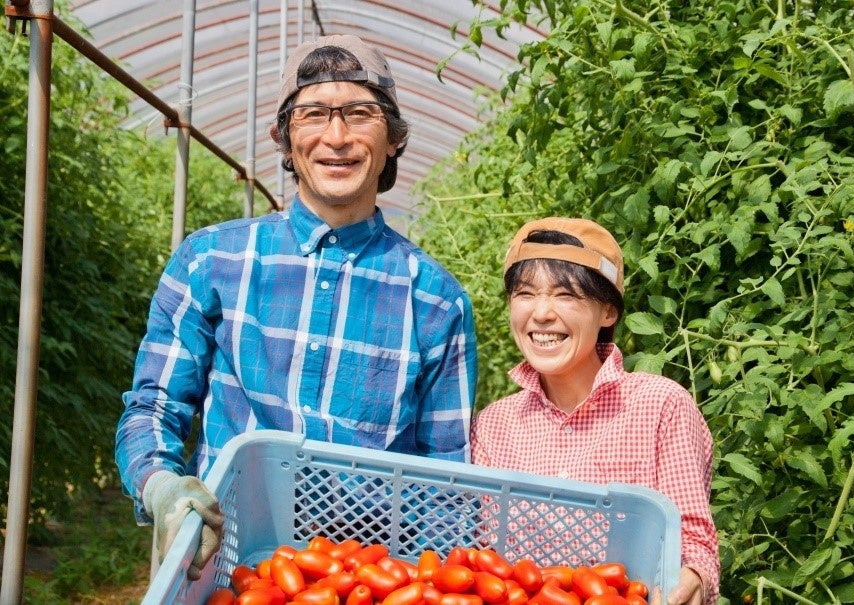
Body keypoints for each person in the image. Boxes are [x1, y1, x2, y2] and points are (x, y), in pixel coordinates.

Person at [115, 34, 478, 580]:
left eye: (361, 114)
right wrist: (162, 486)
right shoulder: (211, 260)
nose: (337, 137)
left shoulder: (434, 299)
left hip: (366, 580)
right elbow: (154, 407)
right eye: (312, 115)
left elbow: (445, 479)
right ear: (284, 139)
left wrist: (431, 582)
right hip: (227, 570)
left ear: (394, 139)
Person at [470, 217, 719, 605]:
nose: (541, 314)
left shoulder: (661, 407)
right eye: (525, 293)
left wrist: (693, 579)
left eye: (565, 295)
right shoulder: (492, 427)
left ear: (608, 312)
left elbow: (692, 540)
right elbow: (482, 558)